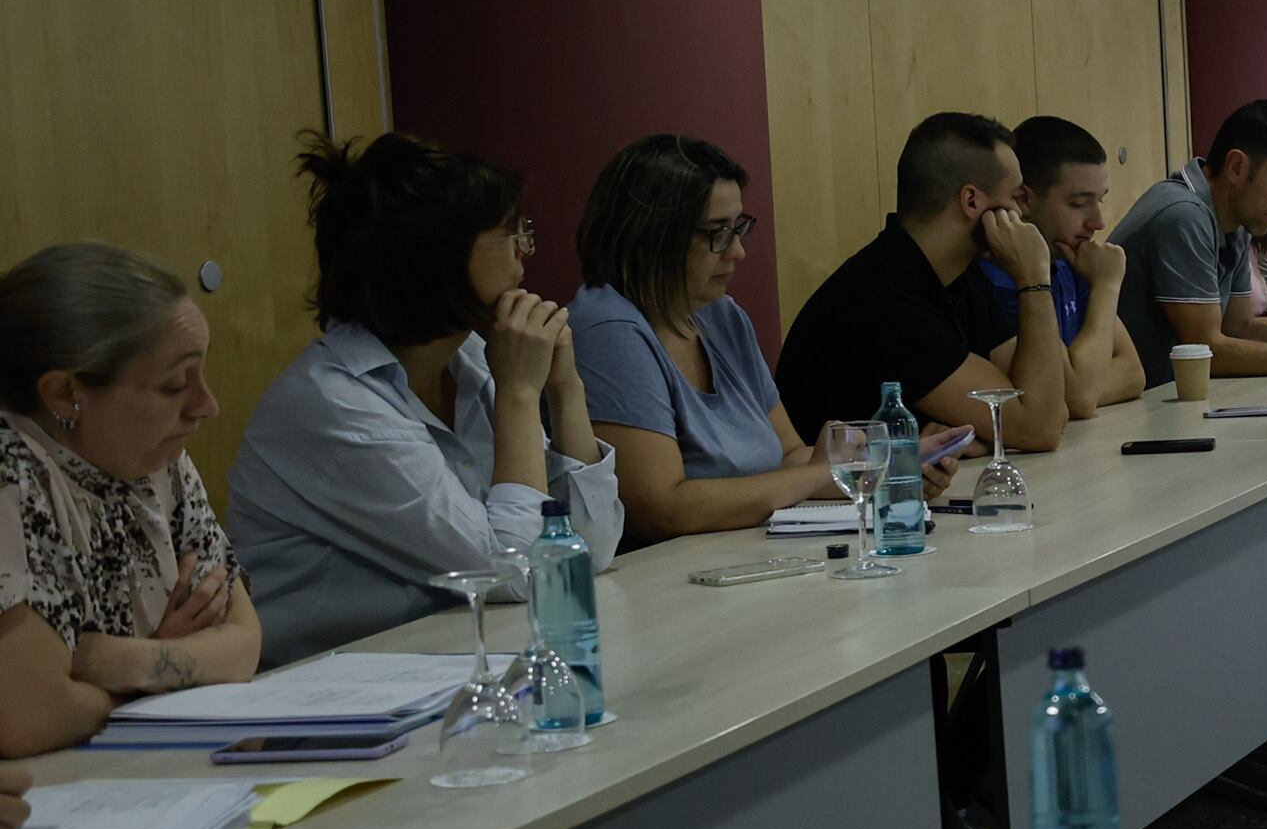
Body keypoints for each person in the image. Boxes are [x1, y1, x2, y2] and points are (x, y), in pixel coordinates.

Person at [231, 134, 626, 665]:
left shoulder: (471, 360)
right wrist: (517, 394)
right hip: (326, 697)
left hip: (444, 660)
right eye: (510, 232)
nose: (525, 249)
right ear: (437, 255)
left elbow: (589, 551)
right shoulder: (333, 403)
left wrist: (565, 387)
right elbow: (513, 570)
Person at [0, 244, 261, 754]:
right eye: (173, 386)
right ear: (63, 393)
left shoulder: (158, 459)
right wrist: (172, 666)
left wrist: (125, 661)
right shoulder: (11, 471)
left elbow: (244, 644)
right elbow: (30, 716)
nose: (207, 406)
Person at [571, 136, 862, 541]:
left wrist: (876, 466)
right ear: (651, 236)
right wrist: (819, 474)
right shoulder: (608, 329)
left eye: (738, 228)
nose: (738, 252)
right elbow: (661, 509)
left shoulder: (721, 314)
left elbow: (790, 457)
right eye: (716, 233)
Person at [773, 112, 1078, 448]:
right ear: (972, 201)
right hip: (848, 499)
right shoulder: (879, 300)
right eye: (1016, 197)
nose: (1022, 214)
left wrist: (977, 435)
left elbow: (1052, 409)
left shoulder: (964, 276)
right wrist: (1034, 279)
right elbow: (1039, 427)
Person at [1110, 99, 1267, 385]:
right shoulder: (1183, 215)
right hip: (1130, 411)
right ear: (1236, 167)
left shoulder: (1236, 216)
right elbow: (1205, 351)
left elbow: (1237, 327)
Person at [969, 116, 1143, 418]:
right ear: (1023, 199)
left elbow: (1133, 372)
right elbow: (1079, 399)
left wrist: (1081, 385)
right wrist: (1107, 286)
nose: (1097, 222)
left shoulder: (1074, 261)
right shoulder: (997, 281)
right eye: (1078, 204)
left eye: (1099, 201)